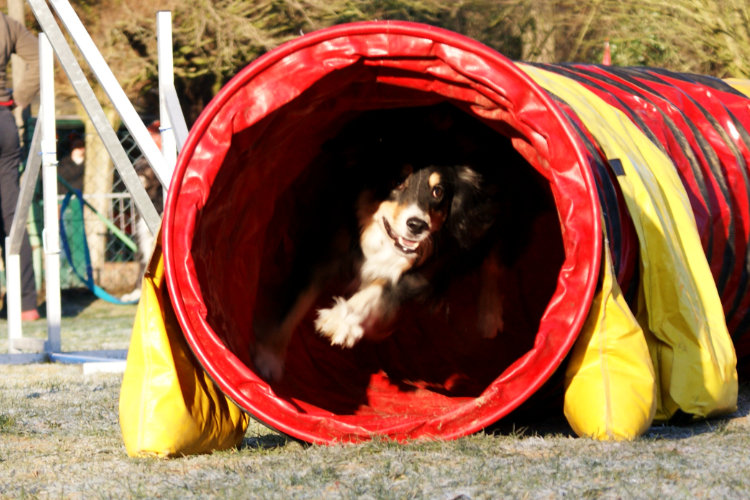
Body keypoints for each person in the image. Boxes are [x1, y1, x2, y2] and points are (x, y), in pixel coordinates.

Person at [0, 12, 40, 321]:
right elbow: (41, 56)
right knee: (13, 215)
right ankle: (26, 304)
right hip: (3, 122)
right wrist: (20, 99)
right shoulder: (6, 24)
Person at [120, 121, 163, 302]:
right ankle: (141, 287)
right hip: (148, 210)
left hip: (163, 210)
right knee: (144, 250)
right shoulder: (143, 162)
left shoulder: (168, 158)